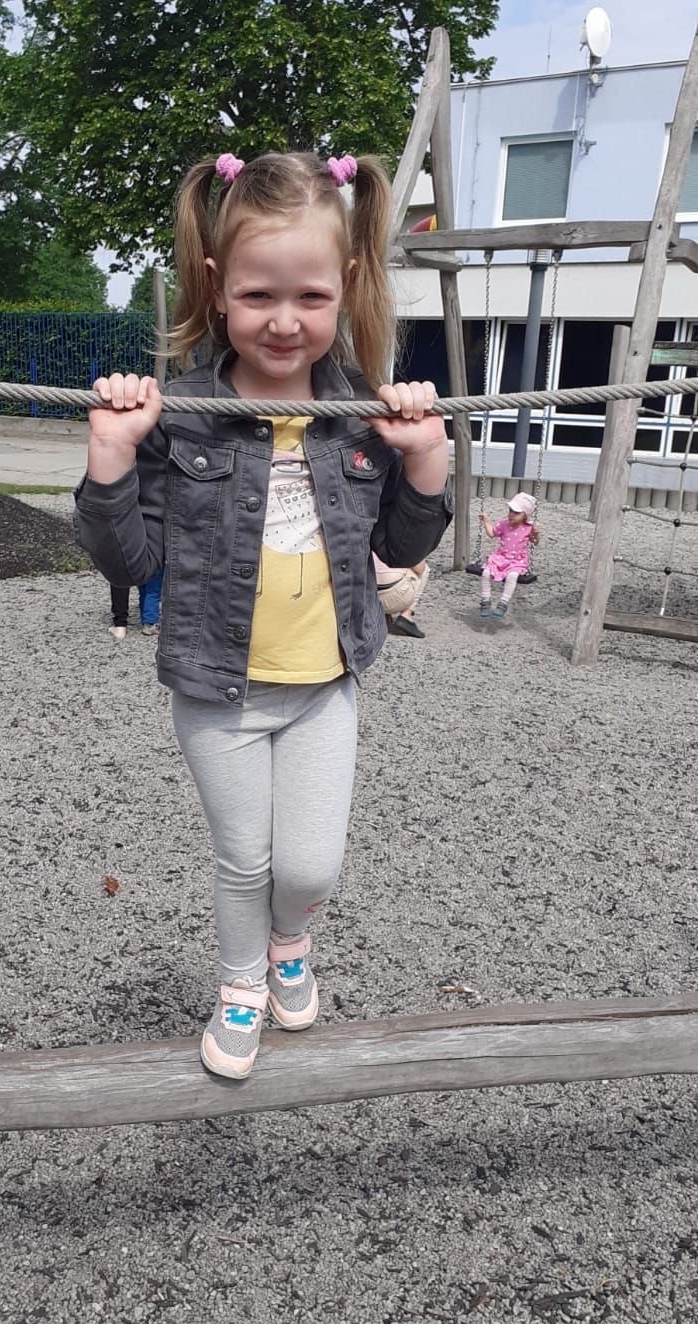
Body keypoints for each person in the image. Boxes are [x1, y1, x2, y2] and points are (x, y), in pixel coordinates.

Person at [74, 149, 452, 1080]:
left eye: (311, 297)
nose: (285, 321)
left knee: (310, 868)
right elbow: (131, 564)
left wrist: (426, 459)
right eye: (258, 296)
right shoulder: (182, 414)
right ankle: (241, 982)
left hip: (325, 686)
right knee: (245, 860)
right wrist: (113, 458)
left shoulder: (360, 411)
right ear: (217, 287)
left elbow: (401, 546)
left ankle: (293, 943)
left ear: (347, 285)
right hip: (218, 692)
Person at [478, 493, 539, 621]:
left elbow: (535, 542)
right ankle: (485, 601)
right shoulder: (503, 524)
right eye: (511, 510)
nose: (511, 514)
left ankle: (503, 603)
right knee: (486, 573)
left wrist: (536, 534)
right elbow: (491, 534)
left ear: (525, 515)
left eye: (516, 512)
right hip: (500, 557)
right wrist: (486, 521)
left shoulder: (529, 528)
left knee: (512, 576)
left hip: (517, 561)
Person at [373, 552, 430, 638]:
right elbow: (420, 568)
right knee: (424, 569)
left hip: (370, 597)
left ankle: (383, 615)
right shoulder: (406, 542)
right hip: (395, 596)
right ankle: (406, 615)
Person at [108, 571, 164, 640]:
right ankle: (150, 623)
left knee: (143, 590)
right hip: (156, 567)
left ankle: (145, 619)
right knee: (153, 591)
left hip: (141, 568)